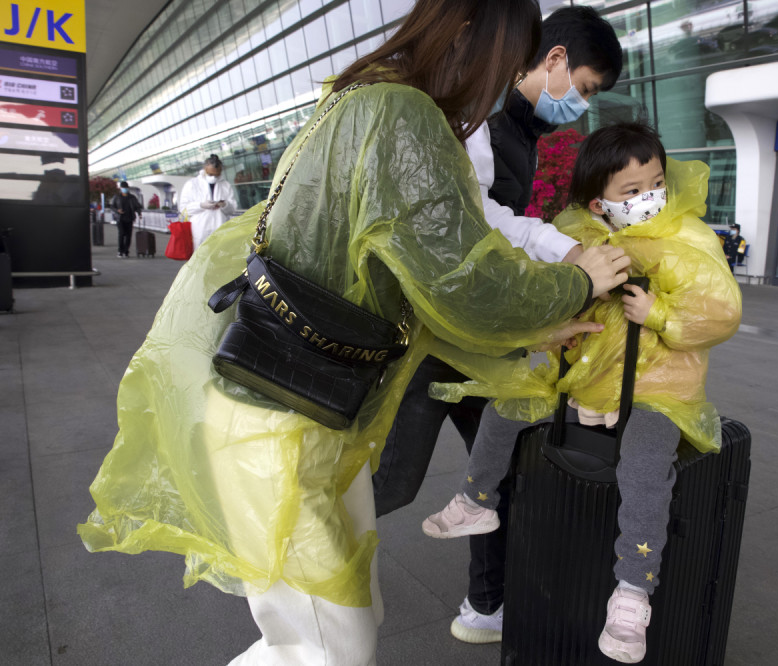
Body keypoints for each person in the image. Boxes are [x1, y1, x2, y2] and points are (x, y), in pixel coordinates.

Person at [77, 2, 630, 664]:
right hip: (282, 422)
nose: (501, 84)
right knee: (328, 646)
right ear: (472, 40)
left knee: (342, 624)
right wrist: (577, 281)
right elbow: (462, 283)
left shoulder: (360, 97)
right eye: (507, 60)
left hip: (292, 407)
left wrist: (536, 324)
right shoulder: (406, 118)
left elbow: (424, 296)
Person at [423, 123, 742, 663]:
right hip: (581, 376)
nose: (650, 198)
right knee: (505, 409)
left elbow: (721, 310)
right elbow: (552, 286)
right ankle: (477, 500)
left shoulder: (685, 238)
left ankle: (632, 592)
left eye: (656, 183)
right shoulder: (582, 236)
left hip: (654, 391)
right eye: (632, 191)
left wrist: (658, 312)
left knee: (643, 470)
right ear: (599, 203)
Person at [372, 6, 624, 644]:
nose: (582, 107)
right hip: (436, 330)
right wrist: (562, 264)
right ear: (553, 58)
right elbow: (474, 220)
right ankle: (301, 560)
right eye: (586, 89)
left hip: (475, 329)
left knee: (501, 466)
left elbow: (490, 220)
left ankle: (485, 607)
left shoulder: (520, 124)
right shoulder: (467, 110)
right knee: (392, 478)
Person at [178, 153, 237, 248]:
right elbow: (183, 209)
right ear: (205, 169)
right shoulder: (192, 184)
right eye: (210, 174)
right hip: (200, 230)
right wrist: (201, 205)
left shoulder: (225, 185)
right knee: (200, 257)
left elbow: (232, 209)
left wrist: (225, 205)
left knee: (220, 256)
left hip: (220, 227)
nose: (214, 177)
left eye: (217, 175)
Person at [109, 181, 143, 258]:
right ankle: (120, 251)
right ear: (120, 188)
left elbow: (137, 206)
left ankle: (126, 251)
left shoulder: (132, 197)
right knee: (121, 234)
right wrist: (117, 211)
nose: (125, 189)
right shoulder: (117, 197)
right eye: (123, 188)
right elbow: (112, 206)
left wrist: (139, 213)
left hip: (129, 218)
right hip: (120, 219)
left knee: (128, 236)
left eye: (126, 188)